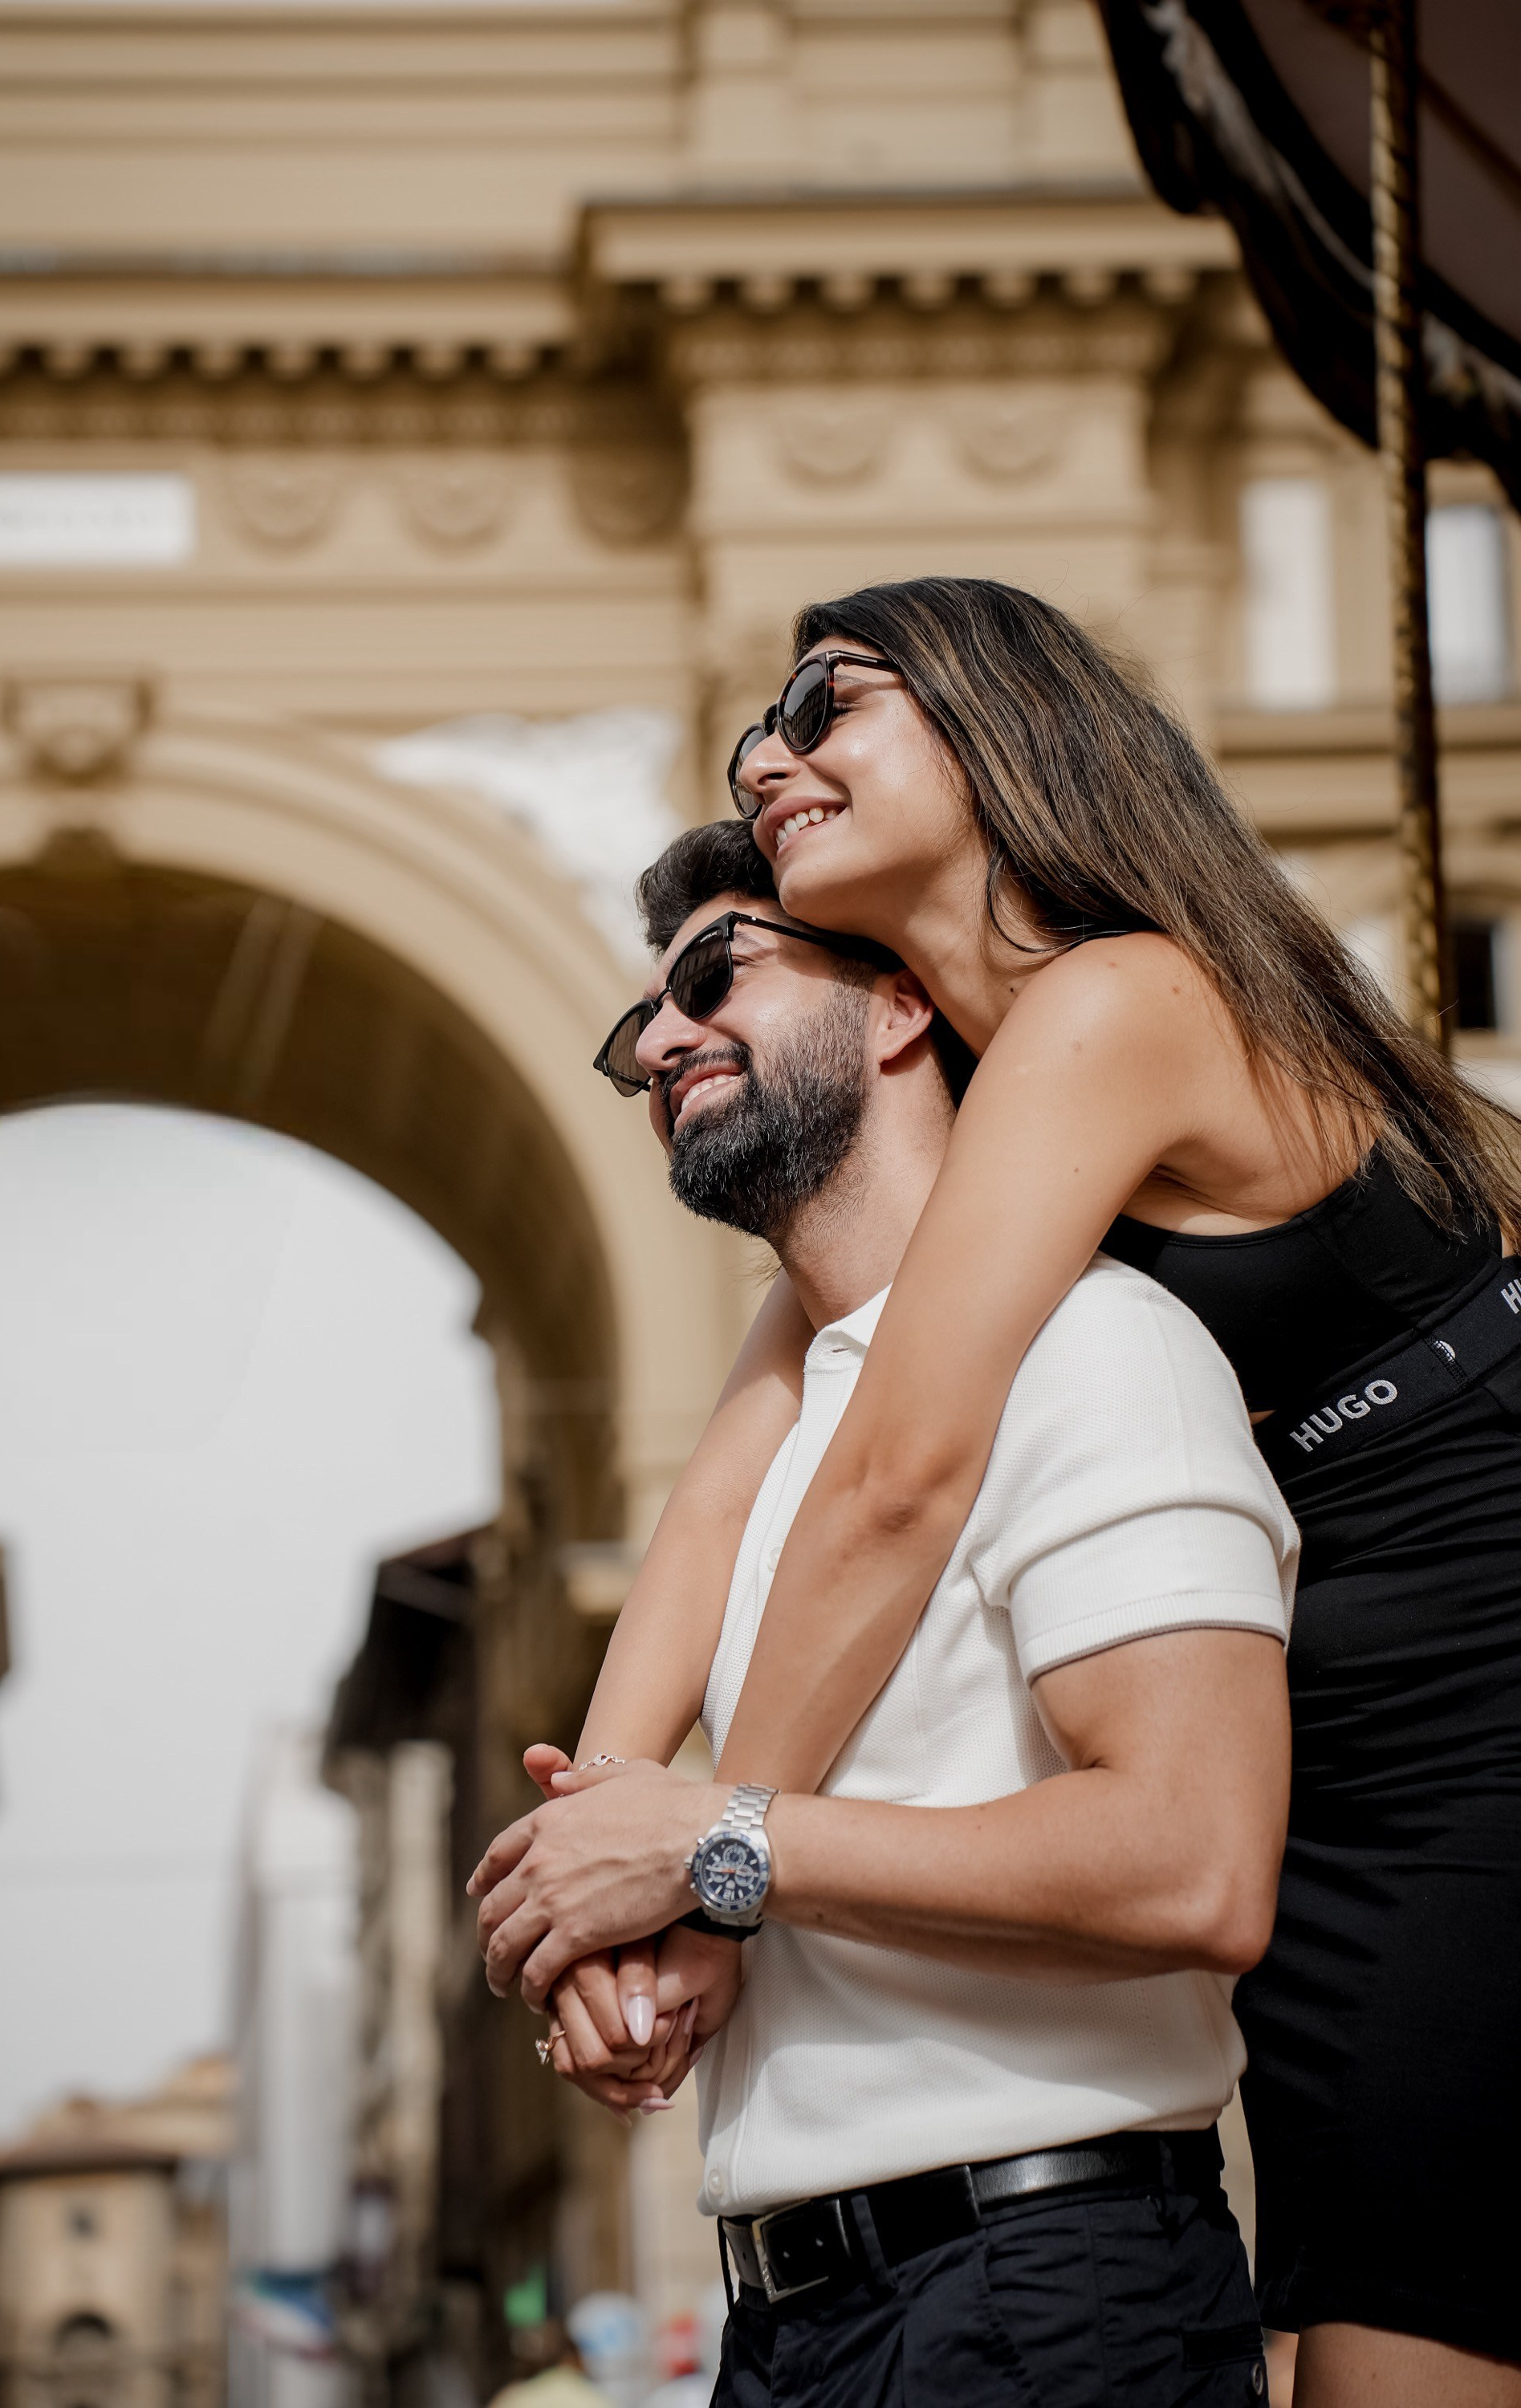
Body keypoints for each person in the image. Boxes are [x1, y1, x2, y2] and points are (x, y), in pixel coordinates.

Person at [478, 580, 1521, 2406]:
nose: (769, 753)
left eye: (824, 702)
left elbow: (894, 1479)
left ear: (1002, 716)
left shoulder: (1115, 1004)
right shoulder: (969, 1099)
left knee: (1398, 2310)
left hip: (1478, 1668)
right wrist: (602, 1851)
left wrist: (719, 1870)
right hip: (1331, 1685)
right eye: (752, 737)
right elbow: (745, 1477)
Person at [474, 816, 1299, 2406]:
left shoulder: (1092, 1353)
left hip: (1041, 2291)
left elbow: (1196, 1866)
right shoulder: (777, 1436)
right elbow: (696, 1835)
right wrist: (610, 1946)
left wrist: (718, 1853)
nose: (658, 1041)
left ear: (904, 1003)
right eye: (637, 1021)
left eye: (715, 974)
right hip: (794, 2324)